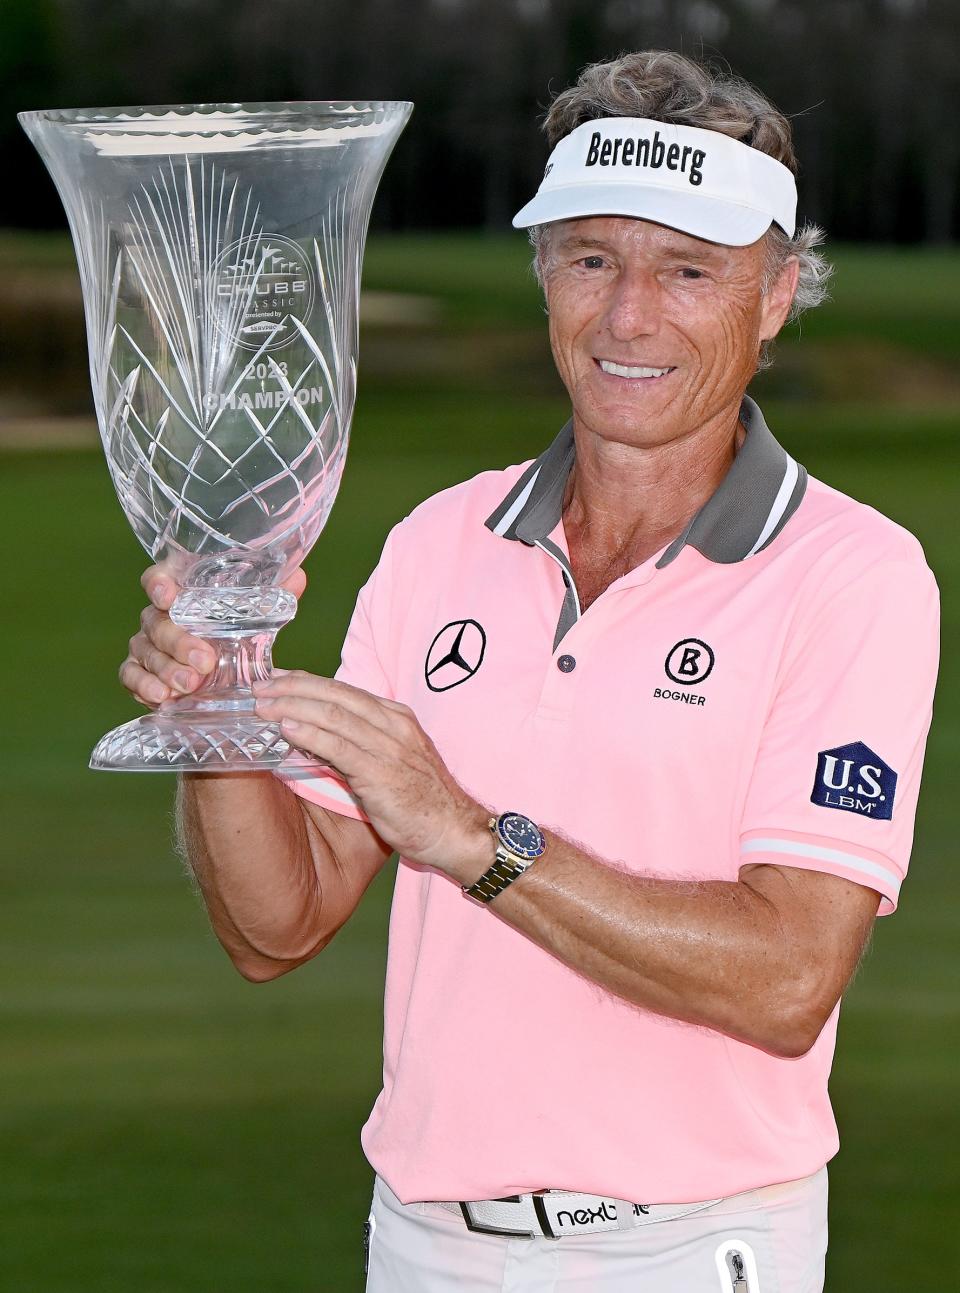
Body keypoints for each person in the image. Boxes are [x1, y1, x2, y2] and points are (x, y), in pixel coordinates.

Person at [120, 51, 939, 1293]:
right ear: (544, 272)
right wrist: (220, 706)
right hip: (420, 1244)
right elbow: (275, 928)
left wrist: (470, 838)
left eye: (689, 271)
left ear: (774, 296)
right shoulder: (442, 541)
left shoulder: (853, 575)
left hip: (686, 1250)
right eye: (593, 259)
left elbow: (787, 980)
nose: (629, 318)